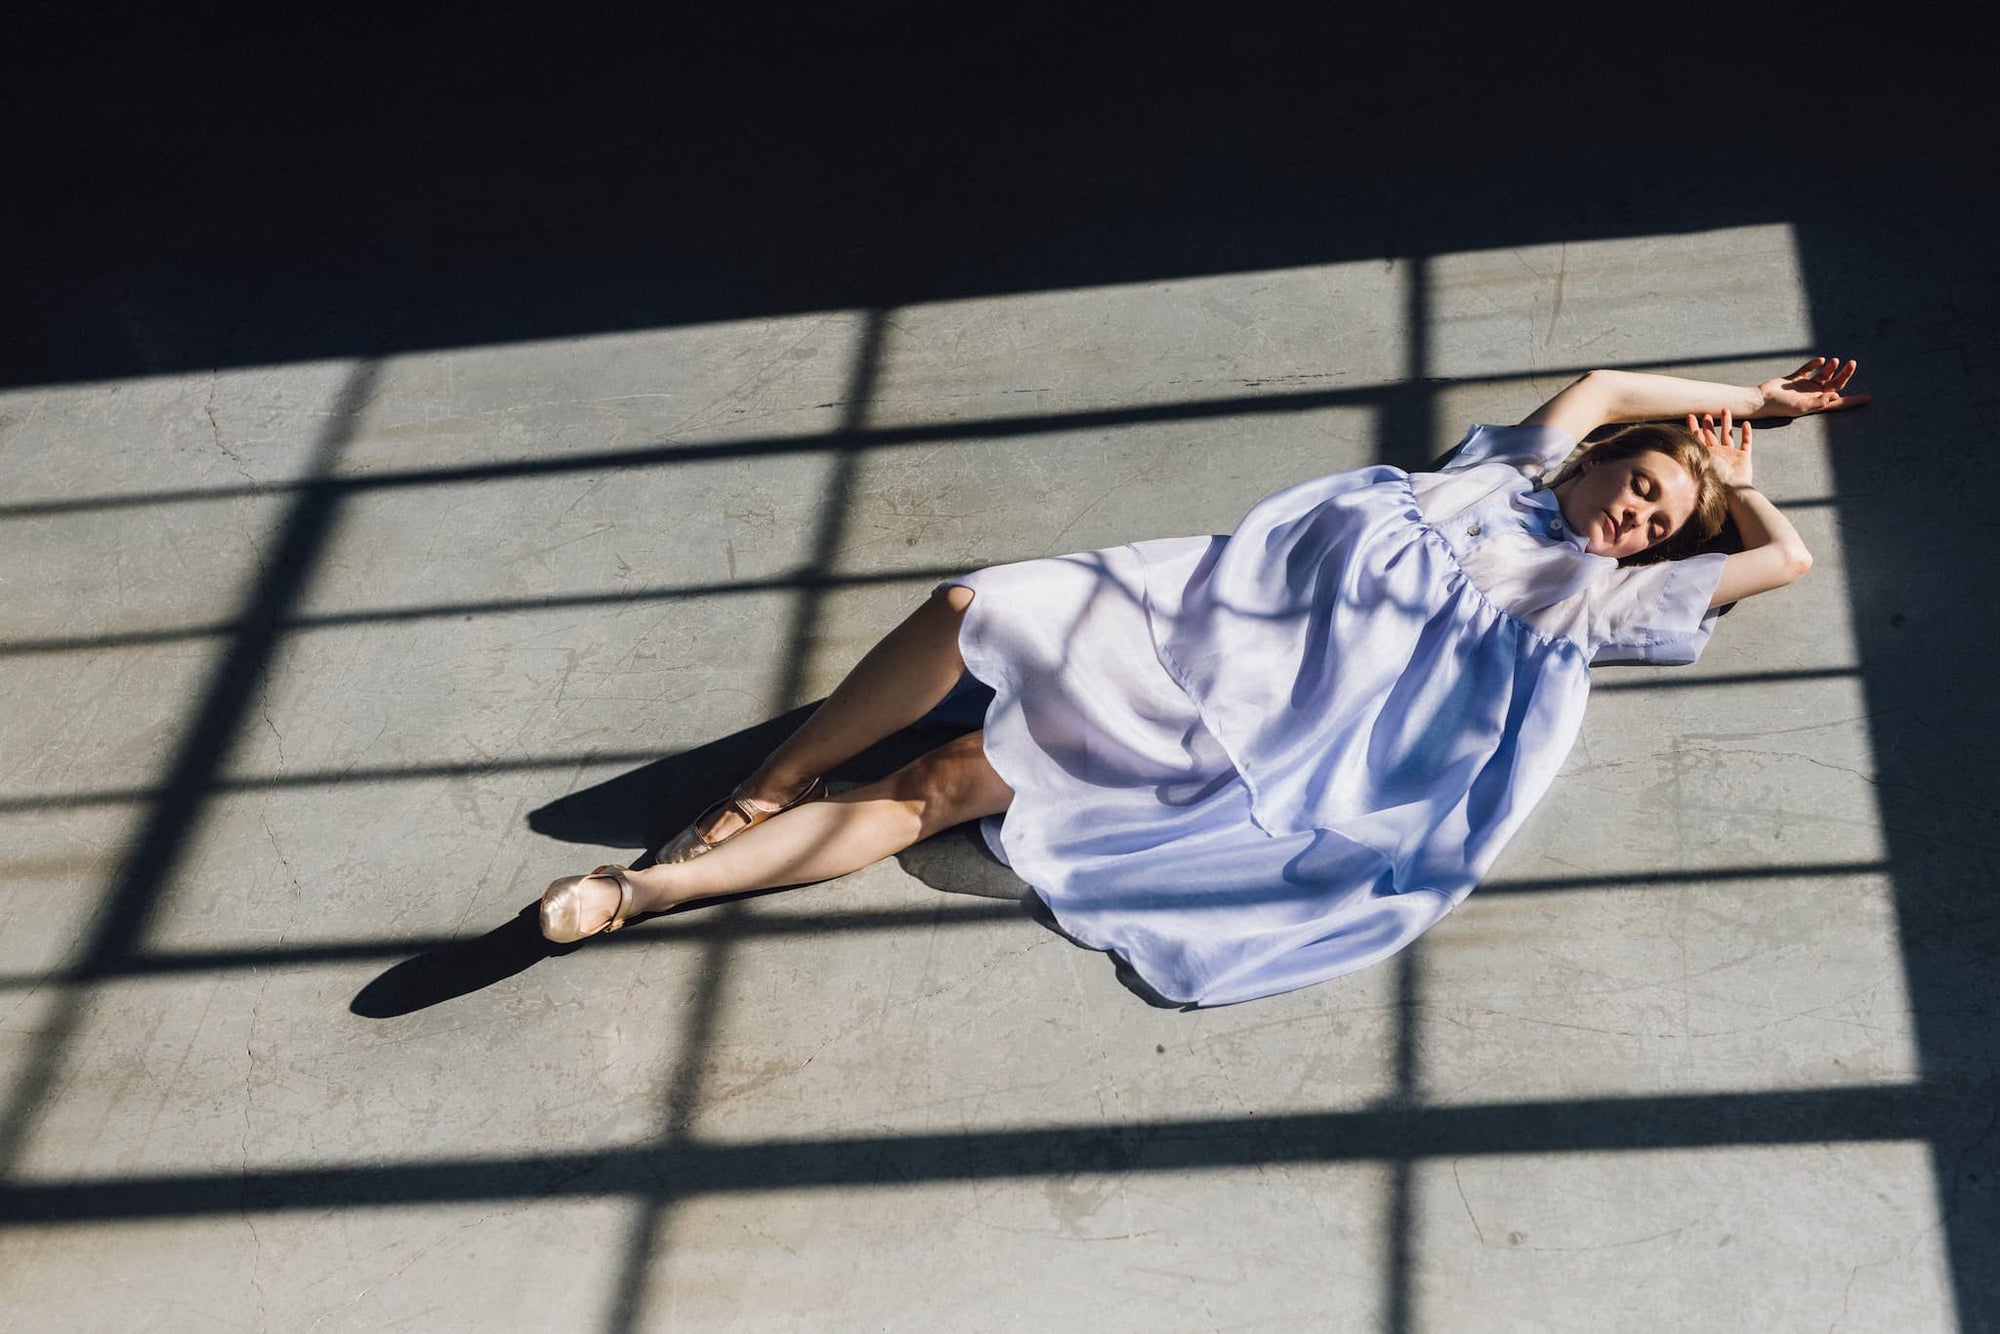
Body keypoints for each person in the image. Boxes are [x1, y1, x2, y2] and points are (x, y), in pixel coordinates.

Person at [539, 357, 1867, 1005]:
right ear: (1591, 463)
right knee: (967, 604)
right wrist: (1751, 395)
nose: (1640, 520)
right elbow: (1602, 379)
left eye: (1660, 523)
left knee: (943, 785)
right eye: (1639, 487)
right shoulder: (1500, 472)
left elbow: (1788, 559)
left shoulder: (1601, 600)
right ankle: (762, 785)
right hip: (1182, 613)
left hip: (1237, 733)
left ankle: (644, 888)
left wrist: (1735, 481)